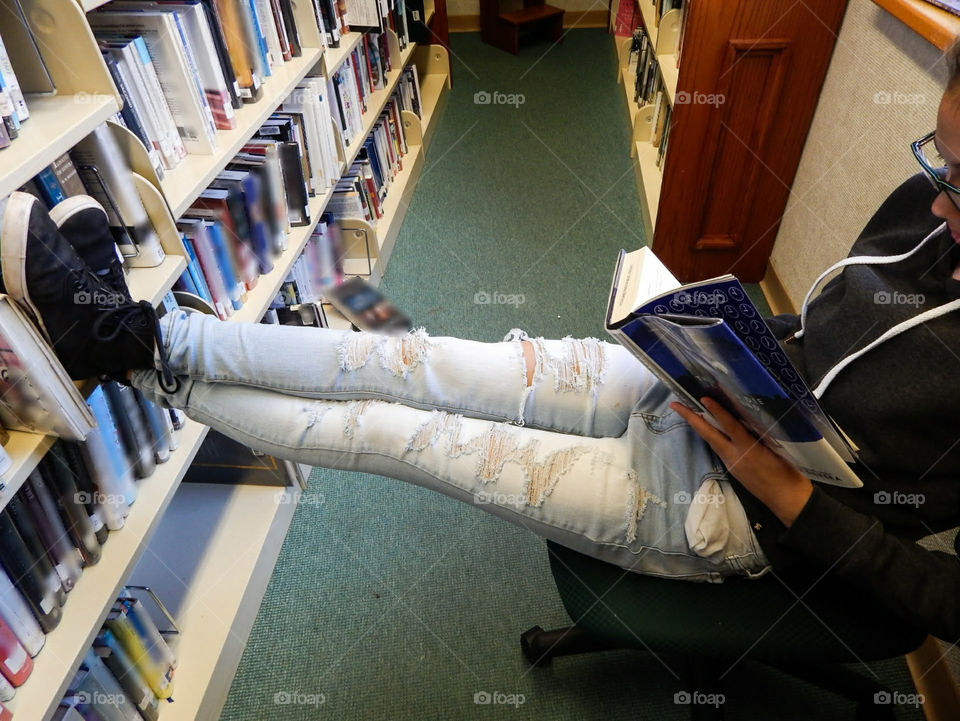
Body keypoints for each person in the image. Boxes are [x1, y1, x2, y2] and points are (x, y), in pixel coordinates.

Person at [3, 82, 960, 648]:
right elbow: (837, 343)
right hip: (705, 394)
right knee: (408, 359)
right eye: (939, 162)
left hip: (743, 510)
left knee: (405, 433)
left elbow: (942, 600)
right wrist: (718, 343)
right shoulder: (933, 211)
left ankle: (120, 354)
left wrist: (790, 497)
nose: (933, 202)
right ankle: (136, 334)